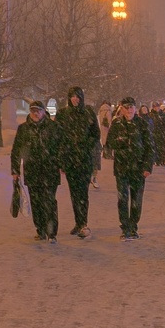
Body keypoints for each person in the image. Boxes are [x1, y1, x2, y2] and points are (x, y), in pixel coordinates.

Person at [105, 96, 154, 240]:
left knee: (136, 199)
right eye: (126, 108)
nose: (129, 110)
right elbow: (109, 143)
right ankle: (125, 227)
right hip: (122, 168)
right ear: (121, 109)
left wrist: (147, 167)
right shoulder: (117, 124)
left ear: (135, 109)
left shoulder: (142, 124)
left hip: (138, 169)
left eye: (131, 107)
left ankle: (134, 226)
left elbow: (150, 147)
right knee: (122, 199)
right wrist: (121, 142)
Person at [11, 100, 61, 241]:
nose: (35, 113)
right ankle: (40, 230)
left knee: (50, 202)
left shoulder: (53, 127)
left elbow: (62, 147)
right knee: (36, 202)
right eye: (33, 111)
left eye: (38, 111)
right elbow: (16, 150)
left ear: (44, 112)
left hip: (50, 170)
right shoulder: (24, 129)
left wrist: (61, 164)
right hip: (32, 171)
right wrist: (15, 170)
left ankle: (51, 233)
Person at [55, 86, 100, 238]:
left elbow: (95, 134)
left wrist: (86, 145)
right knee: (74, 193)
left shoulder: (88, 113)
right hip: (69, 159)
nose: (75, 99)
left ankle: (83, 223)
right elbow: (57, 137)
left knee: (83, 192)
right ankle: (78, 222)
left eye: (78, 96)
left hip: (84, 159)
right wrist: (61, 159)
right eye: (72, 96)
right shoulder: (63, 114)